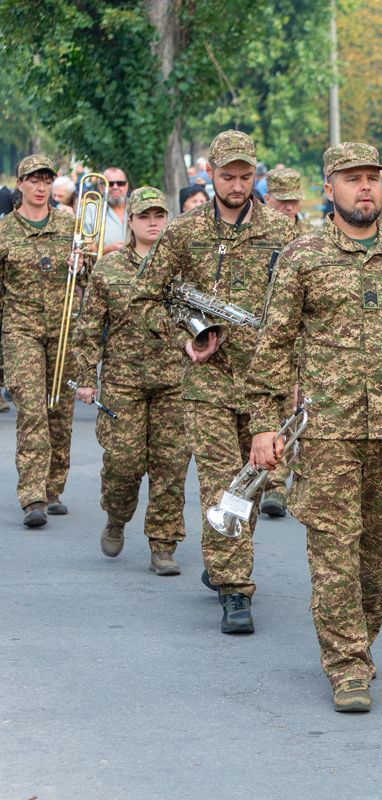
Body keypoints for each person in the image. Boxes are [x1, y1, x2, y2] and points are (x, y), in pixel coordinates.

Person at [247, 142, 382, 713]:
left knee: (377, 554)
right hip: (327, 434)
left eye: (372, 177)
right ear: (329, 189)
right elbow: (273, 346)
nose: (364, 187)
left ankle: (360, 640)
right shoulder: (303, 256)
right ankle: (346, 664)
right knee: (335, 552)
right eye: (352, 179)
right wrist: (264, 424)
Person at [133, 130, 295, 635]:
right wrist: (184, 336)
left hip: (266, 386)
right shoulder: (182, 232)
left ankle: (223, 554)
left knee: (251, 484)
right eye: (228, 176)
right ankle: (234, 589)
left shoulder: (283, 232)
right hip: (206, 385)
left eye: (246, 176)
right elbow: (145, 299)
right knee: (220, 484)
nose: (238, 185)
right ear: (209, 172)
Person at [71, 186, 189, 573]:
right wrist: (87, 377)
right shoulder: (109, 269)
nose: (153, 223)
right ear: (131, 222)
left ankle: (163, 544)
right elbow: (90, 329)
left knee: (170, 467)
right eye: (145, 217)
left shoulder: (180, 269)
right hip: (123, 383)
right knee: (123, 464)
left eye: (159, 216)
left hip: (174, 382)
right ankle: (117, 516)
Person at [0, 155, 80, 527]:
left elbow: (89, 280)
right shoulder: (5, 232)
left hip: (63, 331)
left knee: (59, 413)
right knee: (32, 411)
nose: (40, 187)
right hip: (21, 331)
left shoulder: (71, 225)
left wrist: (85, 264)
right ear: (20, 184)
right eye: (33, 180)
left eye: (46, 180)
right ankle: (32, 495)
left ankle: (53, 487)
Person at [257, 165, 312, 520]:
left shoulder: (307, 238)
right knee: (270, 407)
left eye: (294, 202)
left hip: (301, 340)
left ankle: (282, 482)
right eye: (282, 203)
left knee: (296, 410)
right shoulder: (257, 236)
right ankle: (270, 482)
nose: (289, 209)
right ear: (267, 200)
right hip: (266, 336)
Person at [265, 166, 307, 239]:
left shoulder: (311, 233)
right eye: (283, 201)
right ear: (268, 200)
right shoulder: (255, 233)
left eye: (294, 200)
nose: (289, 208)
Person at [100, 167, 129, 254]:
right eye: (110, 184)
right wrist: (107, 249)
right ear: (101, 187)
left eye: (120, 183)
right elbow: (85, 250)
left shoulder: (138, 207)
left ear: (127, 185)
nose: (115, 187)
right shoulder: (91, 209)